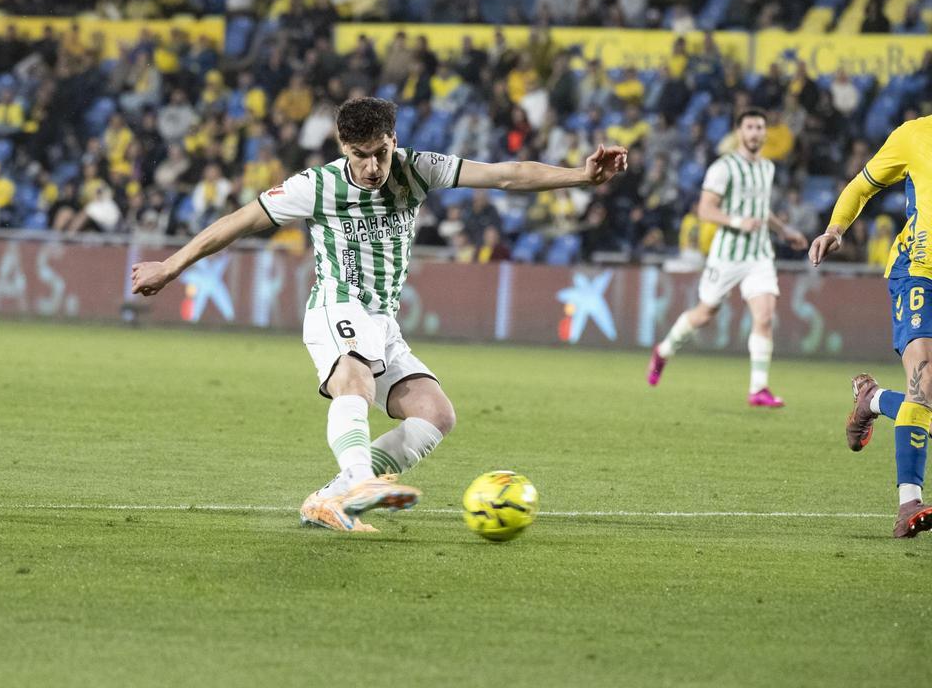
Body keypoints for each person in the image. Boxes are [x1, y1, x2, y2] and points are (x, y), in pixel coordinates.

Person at [130, 97, 627, 532]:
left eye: (381, 152)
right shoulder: (315, 186)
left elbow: (504, 174)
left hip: (382, 320)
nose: (372, 167)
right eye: (359, 155)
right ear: (344, 148)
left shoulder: (417, 169)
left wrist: (581, 175)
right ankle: (362, 482)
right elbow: (237, 222)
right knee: (357, 385)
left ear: (394, 140)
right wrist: (171, 267)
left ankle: (332, 497)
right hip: (336, 305)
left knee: (436, 414)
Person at [809, 113, 932, 538]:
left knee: (927, 402)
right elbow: (862, 185)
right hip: (920, 272)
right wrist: (836, 228)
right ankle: (908, 504)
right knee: (926, 380)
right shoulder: (915, 134)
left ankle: (873, 399)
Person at [646, 108, 807, 406]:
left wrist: (784, 230)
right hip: (727, 255)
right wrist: (737, 222)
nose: (756, 133)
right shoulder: (723, 167)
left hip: (759, 254)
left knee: (765, 316)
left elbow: (761, 209)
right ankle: (663, 351)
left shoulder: (767, 168)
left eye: (760, 127)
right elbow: (705, 209)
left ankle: (758, 389)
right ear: (739, 133)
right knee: (705, 314)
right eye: (750, 127)